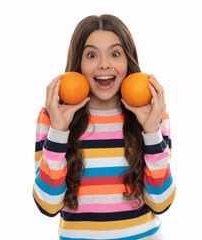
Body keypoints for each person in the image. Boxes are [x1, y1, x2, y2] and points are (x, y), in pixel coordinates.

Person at [33, 14, 176, 240]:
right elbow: (48, 205)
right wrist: (59, 131)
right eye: (91, 55)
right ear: (78, 63)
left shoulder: (152, 114)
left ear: (128, 60)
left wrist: (151, 132)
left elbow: (161, 201)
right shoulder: (53, 117)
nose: (104, 64)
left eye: (115, 53)